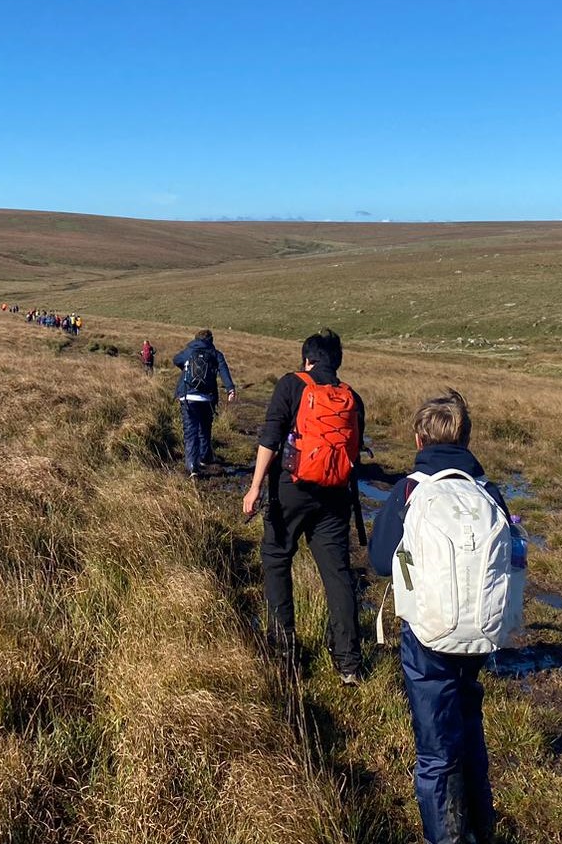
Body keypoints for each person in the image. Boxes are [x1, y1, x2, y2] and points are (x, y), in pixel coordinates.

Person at [367, 389, 507, 844]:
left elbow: (382, 561)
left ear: (418, 438)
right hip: (482, 634)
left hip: (427, 636)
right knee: (469, 730)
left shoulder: (409, 490)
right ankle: (480, 830)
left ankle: (444, 837)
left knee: (435, 751)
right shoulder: (488, 491)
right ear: (466, 438)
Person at [241, 329, 364, 685]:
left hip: (291, 490)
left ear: (307, 359)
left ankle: (284, 650)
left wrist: (254, 487)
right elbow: (354, 453)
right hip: (337, 495)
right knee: (337, 573)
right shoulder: (351, 397)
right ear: (337, 362)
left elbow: (270, 438)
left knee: (277, 558)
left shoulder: (291, 385)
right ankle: (349, 664)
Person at [173, 330, 236, 478]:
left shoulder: (189, 351)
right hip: (207, 398)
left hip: (188, 396)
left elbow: (176, 360)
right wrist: (230, 389)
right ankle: (205, 457)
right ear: (211, 340)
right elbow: (224, 371)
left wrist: (185, 367)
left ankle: (192, 466)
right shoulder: (215, 354)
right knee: (205, 428)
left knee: (190, 431)